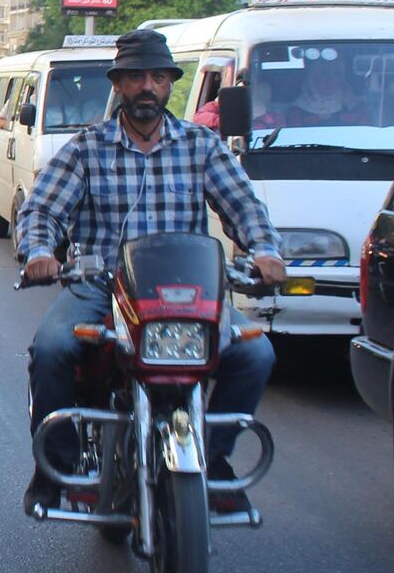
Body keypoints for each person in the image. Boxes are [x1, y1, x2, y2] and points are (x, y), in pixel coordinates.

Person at [17, 29, 285, 518]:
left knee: (256, 353)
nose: (148, 87)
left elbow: (244, 206)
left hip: (187, 289)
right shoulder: (86, 148)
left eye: (158, 77)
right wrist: (40, 251)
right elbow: (42, 212)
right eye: (136, 76)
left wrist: (265, 250)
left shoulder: (201, 145)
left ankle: (217, 458)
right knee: (52, 348)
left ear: (169, 86)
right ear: (118, 84)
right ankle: (54, 468)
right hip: (101, 285)